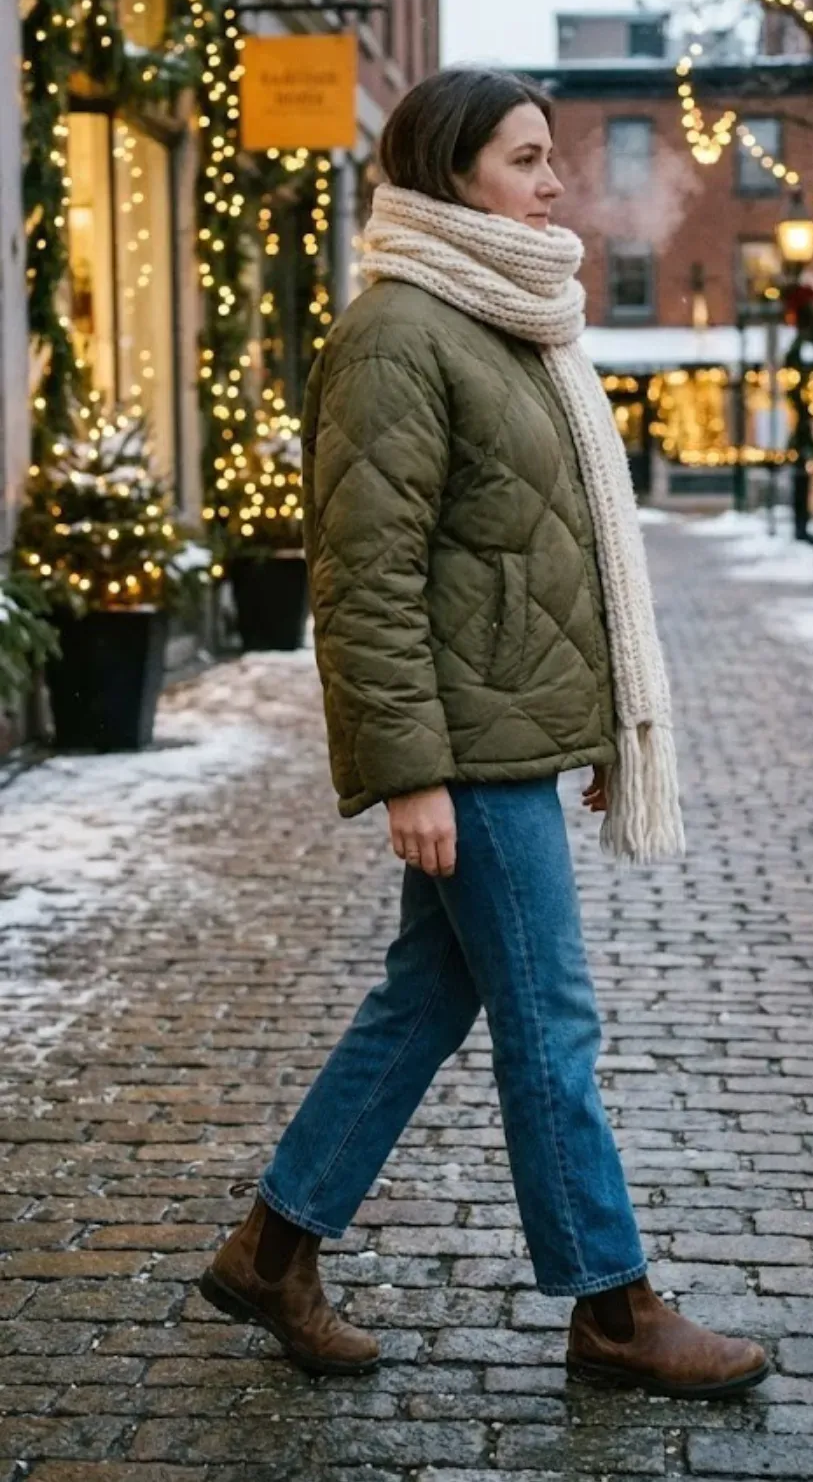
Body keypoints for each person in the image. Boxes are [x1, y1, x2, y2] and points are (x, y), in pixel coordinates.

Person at [199, 68, 768, 1401]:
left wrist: (588, 722)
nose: (554, 181)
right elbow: (367, 575)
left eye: (552, 156)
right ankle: (614, 1306)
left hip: (504, 734)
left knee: (427, 998)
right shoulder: (400, 334)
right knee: (549, 1024)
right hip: (466, 754)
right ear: (456, 172)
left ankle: (274, 1247)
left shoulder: (509, 321)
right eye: (526, 158)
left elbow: (525, 555)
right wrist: (414, 771)